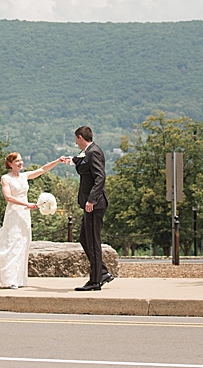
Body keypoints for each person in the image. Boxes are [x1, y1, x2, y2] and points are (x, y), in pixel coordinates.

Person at [0, 151, 68, 288]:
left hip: (24, 216)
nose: (20, 163)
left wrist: (57, 161)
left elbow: (42, 169)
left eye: (21, 160)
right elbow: (8, 197)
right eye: (17, 161)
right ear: (10, 164)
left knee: (22, 245)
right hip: (14, 214)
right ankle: (9, 279)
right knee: (11, 246)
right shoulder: (6, 178)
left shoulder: (24, 176)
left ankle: (19, 279)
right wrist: (26, 204)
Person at [68, 125, 110, 291]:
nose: (76, 142)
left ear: (80, 137)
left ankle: (95, 281)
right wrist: (70, 160)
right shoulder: (88, 151)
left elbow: (100, 177)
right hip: (89, 204)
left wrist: (91, 200)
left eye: (76, 139)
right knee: (85, 239)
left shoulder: (94, 151)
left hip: (95, 204)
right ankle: (103, 272)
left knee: (93, 241)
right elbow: (83, 163)